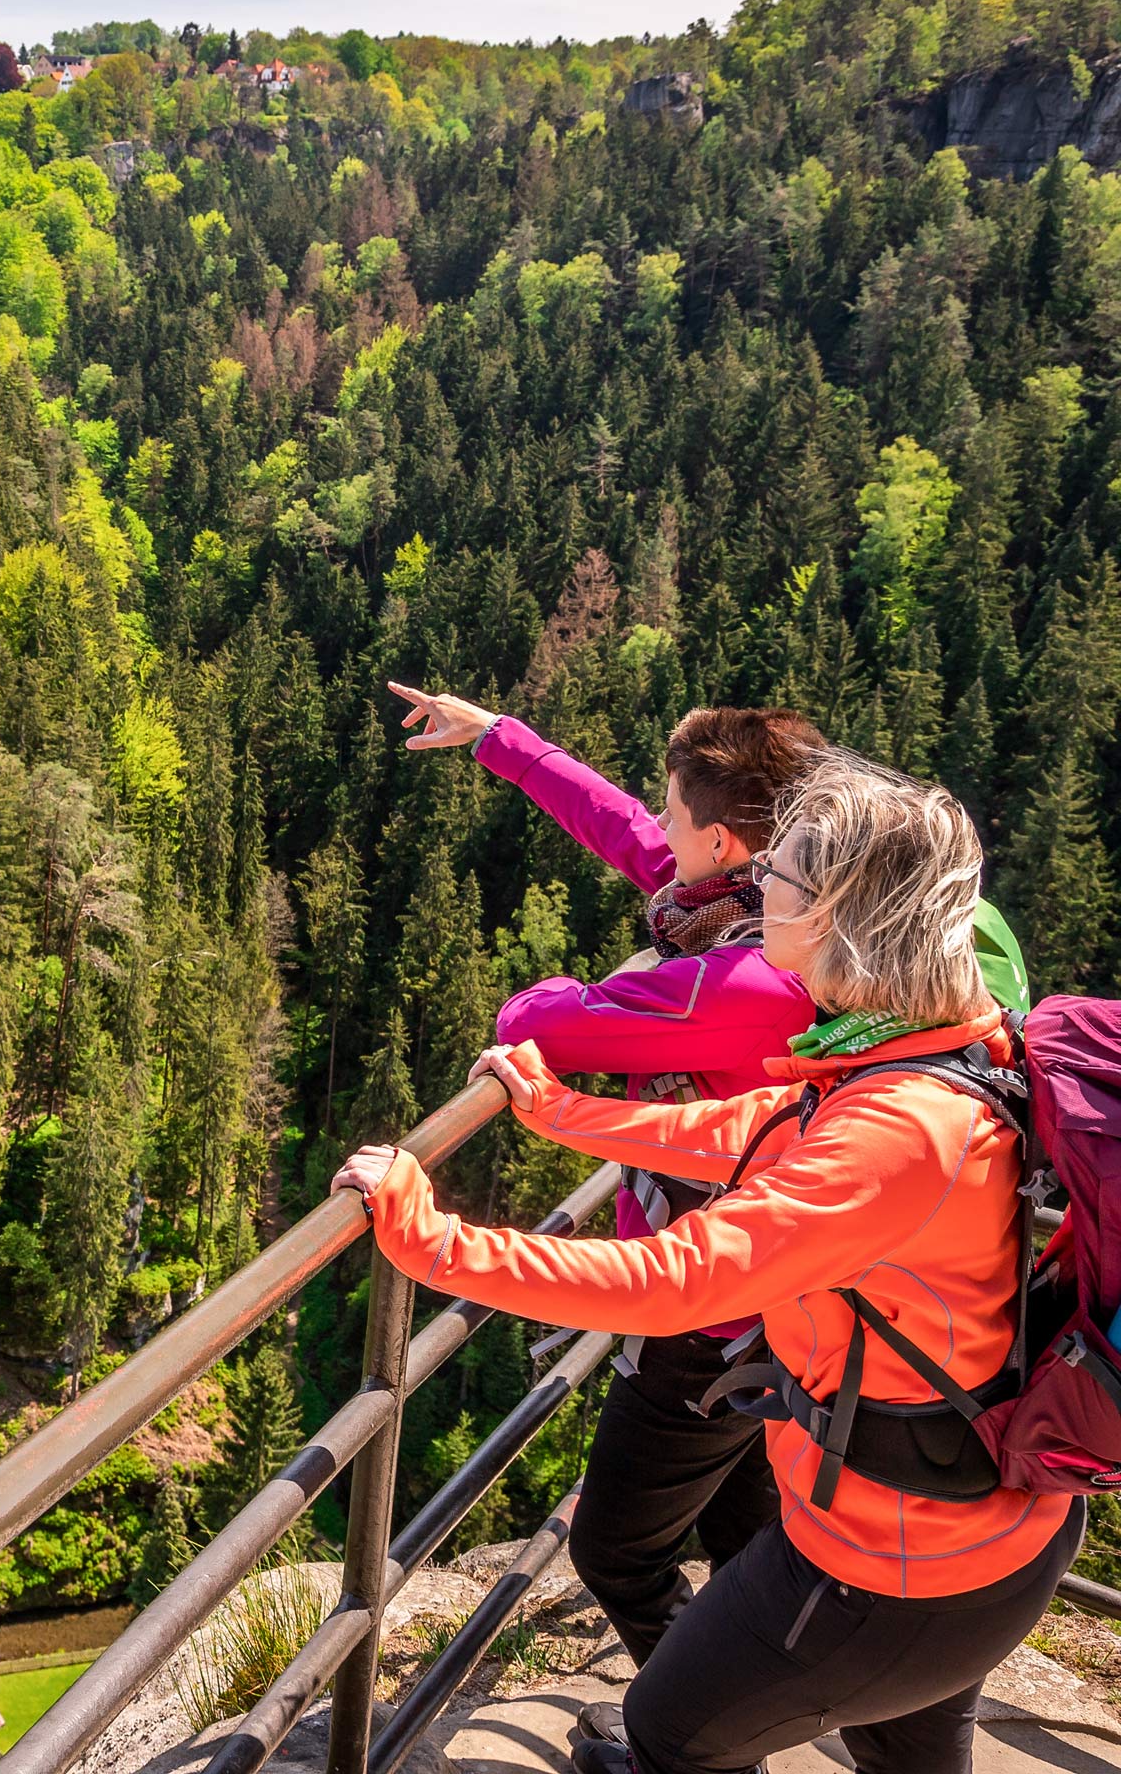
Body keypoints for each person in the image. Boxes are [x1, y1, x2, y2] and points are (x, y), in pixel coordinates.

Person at [334, 756, 1079, 1774]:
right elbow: (754, 1129)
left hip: (890, 1567)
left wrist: (429, 1240)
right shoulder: (937, 1045)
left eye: (780, 871)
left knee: (666, 1736)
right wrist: (566, 1114)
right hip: (966, 1534)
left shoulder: (897, 1129)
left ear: (831, 918)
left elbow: (676, 1279)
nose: (759, 879)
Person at [389, 682, 823, 1664]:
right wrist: (498, 737)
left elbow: (533, 1023)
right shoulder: (775, 901)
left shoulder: (742, 979)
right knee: (743, 1531)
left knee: (615, 1550)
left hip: (703, 1318)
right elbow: (627, 829)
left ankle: (694, 1734)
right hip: (782, 1289)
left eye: (674, 807)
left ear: (721, 845)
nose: (655, 818)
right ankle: (750, 1702)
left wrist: (612, 983)